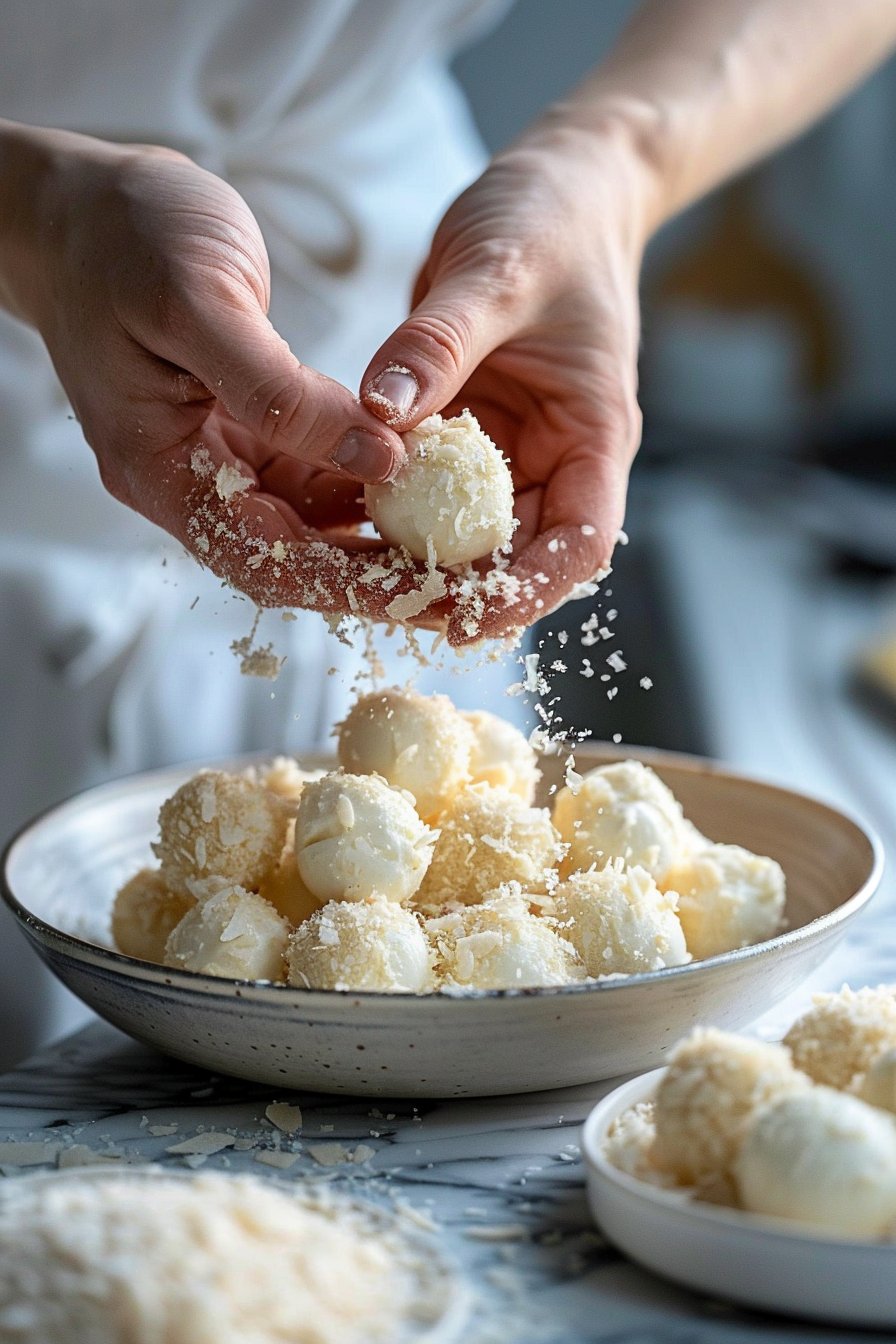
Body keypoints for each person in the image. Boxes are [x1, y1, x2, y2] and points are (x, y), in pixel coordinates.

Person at [1, 0, 894, 1065]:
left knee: (463, 969)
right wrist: (32, 212)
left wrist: (613, 162)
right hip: (25, 388)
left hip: (450, 308)